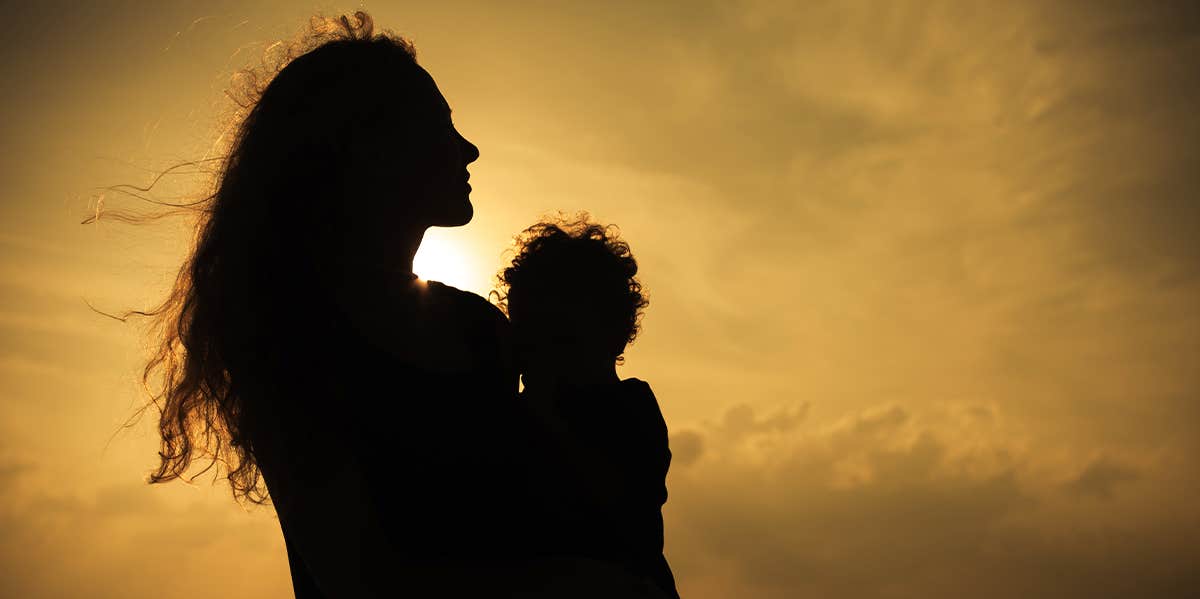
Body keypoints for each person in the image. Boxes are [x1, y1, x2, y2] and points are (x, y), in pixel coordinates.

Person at [120, 12, 668, 598]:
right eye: (441, 127)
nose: (470, 149)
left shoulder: (479, 330)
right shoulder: (289, 343)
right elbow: (363, 578)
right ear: (371, 150)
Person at [495, 217, 680, 599]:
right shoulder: (508, 416)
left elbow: (617, 507)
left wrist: (541, 410)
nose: (540, 352)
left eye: (562, 337)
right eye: (528, 334)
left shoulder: (632, 408)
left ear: (615, 333)